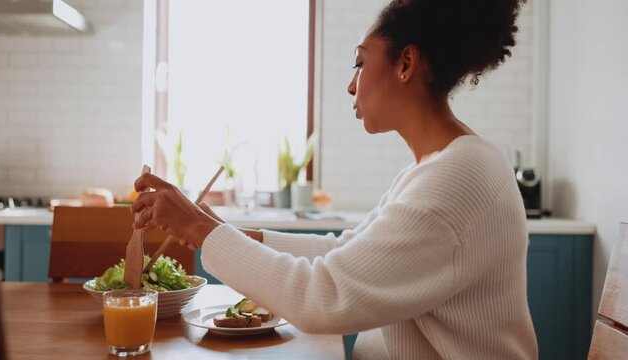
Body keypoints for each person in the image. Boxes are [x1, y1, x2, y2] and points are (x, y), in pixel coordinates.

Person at [131, 0, 537, 358]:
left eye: (360, 63)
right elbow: (348, 252)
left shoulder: (457, 177)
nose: (350, 85)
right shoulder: (442, 166)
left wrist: (200, 229)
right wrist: (225, 231)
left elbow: (323, 297)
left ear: (406, 64)